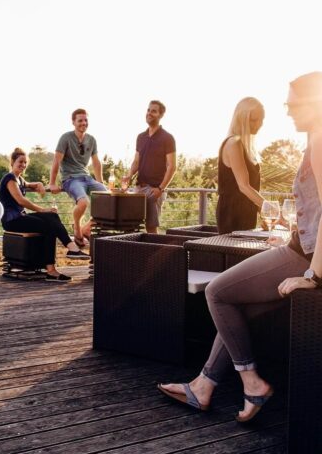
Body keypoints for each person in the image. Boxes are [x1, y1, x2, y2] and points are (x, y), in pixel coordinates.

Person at [158, 72, 322, 422]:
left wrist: (313, 275)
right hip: (300, 246)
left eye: (292, 102)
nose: (288, 109)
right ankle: (203, 385)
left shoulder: (320, 141)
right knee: (238, 305)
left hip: (302, 256)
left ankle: (251, 382)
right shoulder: (313, 140)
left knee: (217, 291)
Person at [0, 148, 90, 281]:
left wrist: (39, 184)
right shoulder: (9, 178)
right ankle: (56, 265)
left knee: (52, 217)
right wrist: (42, 209)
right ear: (13, 162)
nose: (23, 165)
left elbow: (30, 184)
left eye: (25, 163)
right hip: (12, 220)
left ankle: (68, 252)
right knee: (48, 224)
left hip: (21, 217)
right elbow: (21, 200)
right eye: (20, 162)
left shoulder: (20, 180)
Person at [48, 109, 107, 247]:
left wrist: (100, 182)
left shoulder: (91, 139)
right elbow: (56, 161)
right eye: (80, 120)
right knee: (83, 203)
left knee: (108, 199)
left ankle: (87, 228)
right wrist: (51, 183)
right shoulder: (66, 138)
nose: (83, 123)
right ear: (73, 122)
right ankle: (77, 228)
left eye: (85, 120)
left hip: (87, 177)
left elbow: (96, 163)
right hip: (71, 178)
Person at [122, 100, 176, 233]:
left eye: (153, 111)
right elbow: (136, 162)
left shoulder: (167, 138)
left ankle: (155, 253)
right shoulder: (141, 137)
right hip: (139, 188)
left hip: (154, 190)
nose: (149, 113)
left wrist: (160, 189)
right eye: (148, 110)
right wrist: (129, 175)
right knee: (131, 225)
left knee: (151, 228)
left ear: (160, 115)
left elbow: (172, 166)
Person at [216, 97, 266, 234]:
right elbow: (244, 186)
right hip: (233, 215)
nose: (259, 124)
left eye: (261, 120)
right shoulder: (234, 143)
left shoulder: (247, 147)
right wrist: (270, 208)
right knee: (236, 254)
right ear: (241, 119)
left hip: (247, 212)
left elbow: (251, 188)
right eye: (254, 120)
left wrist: (262, 212)